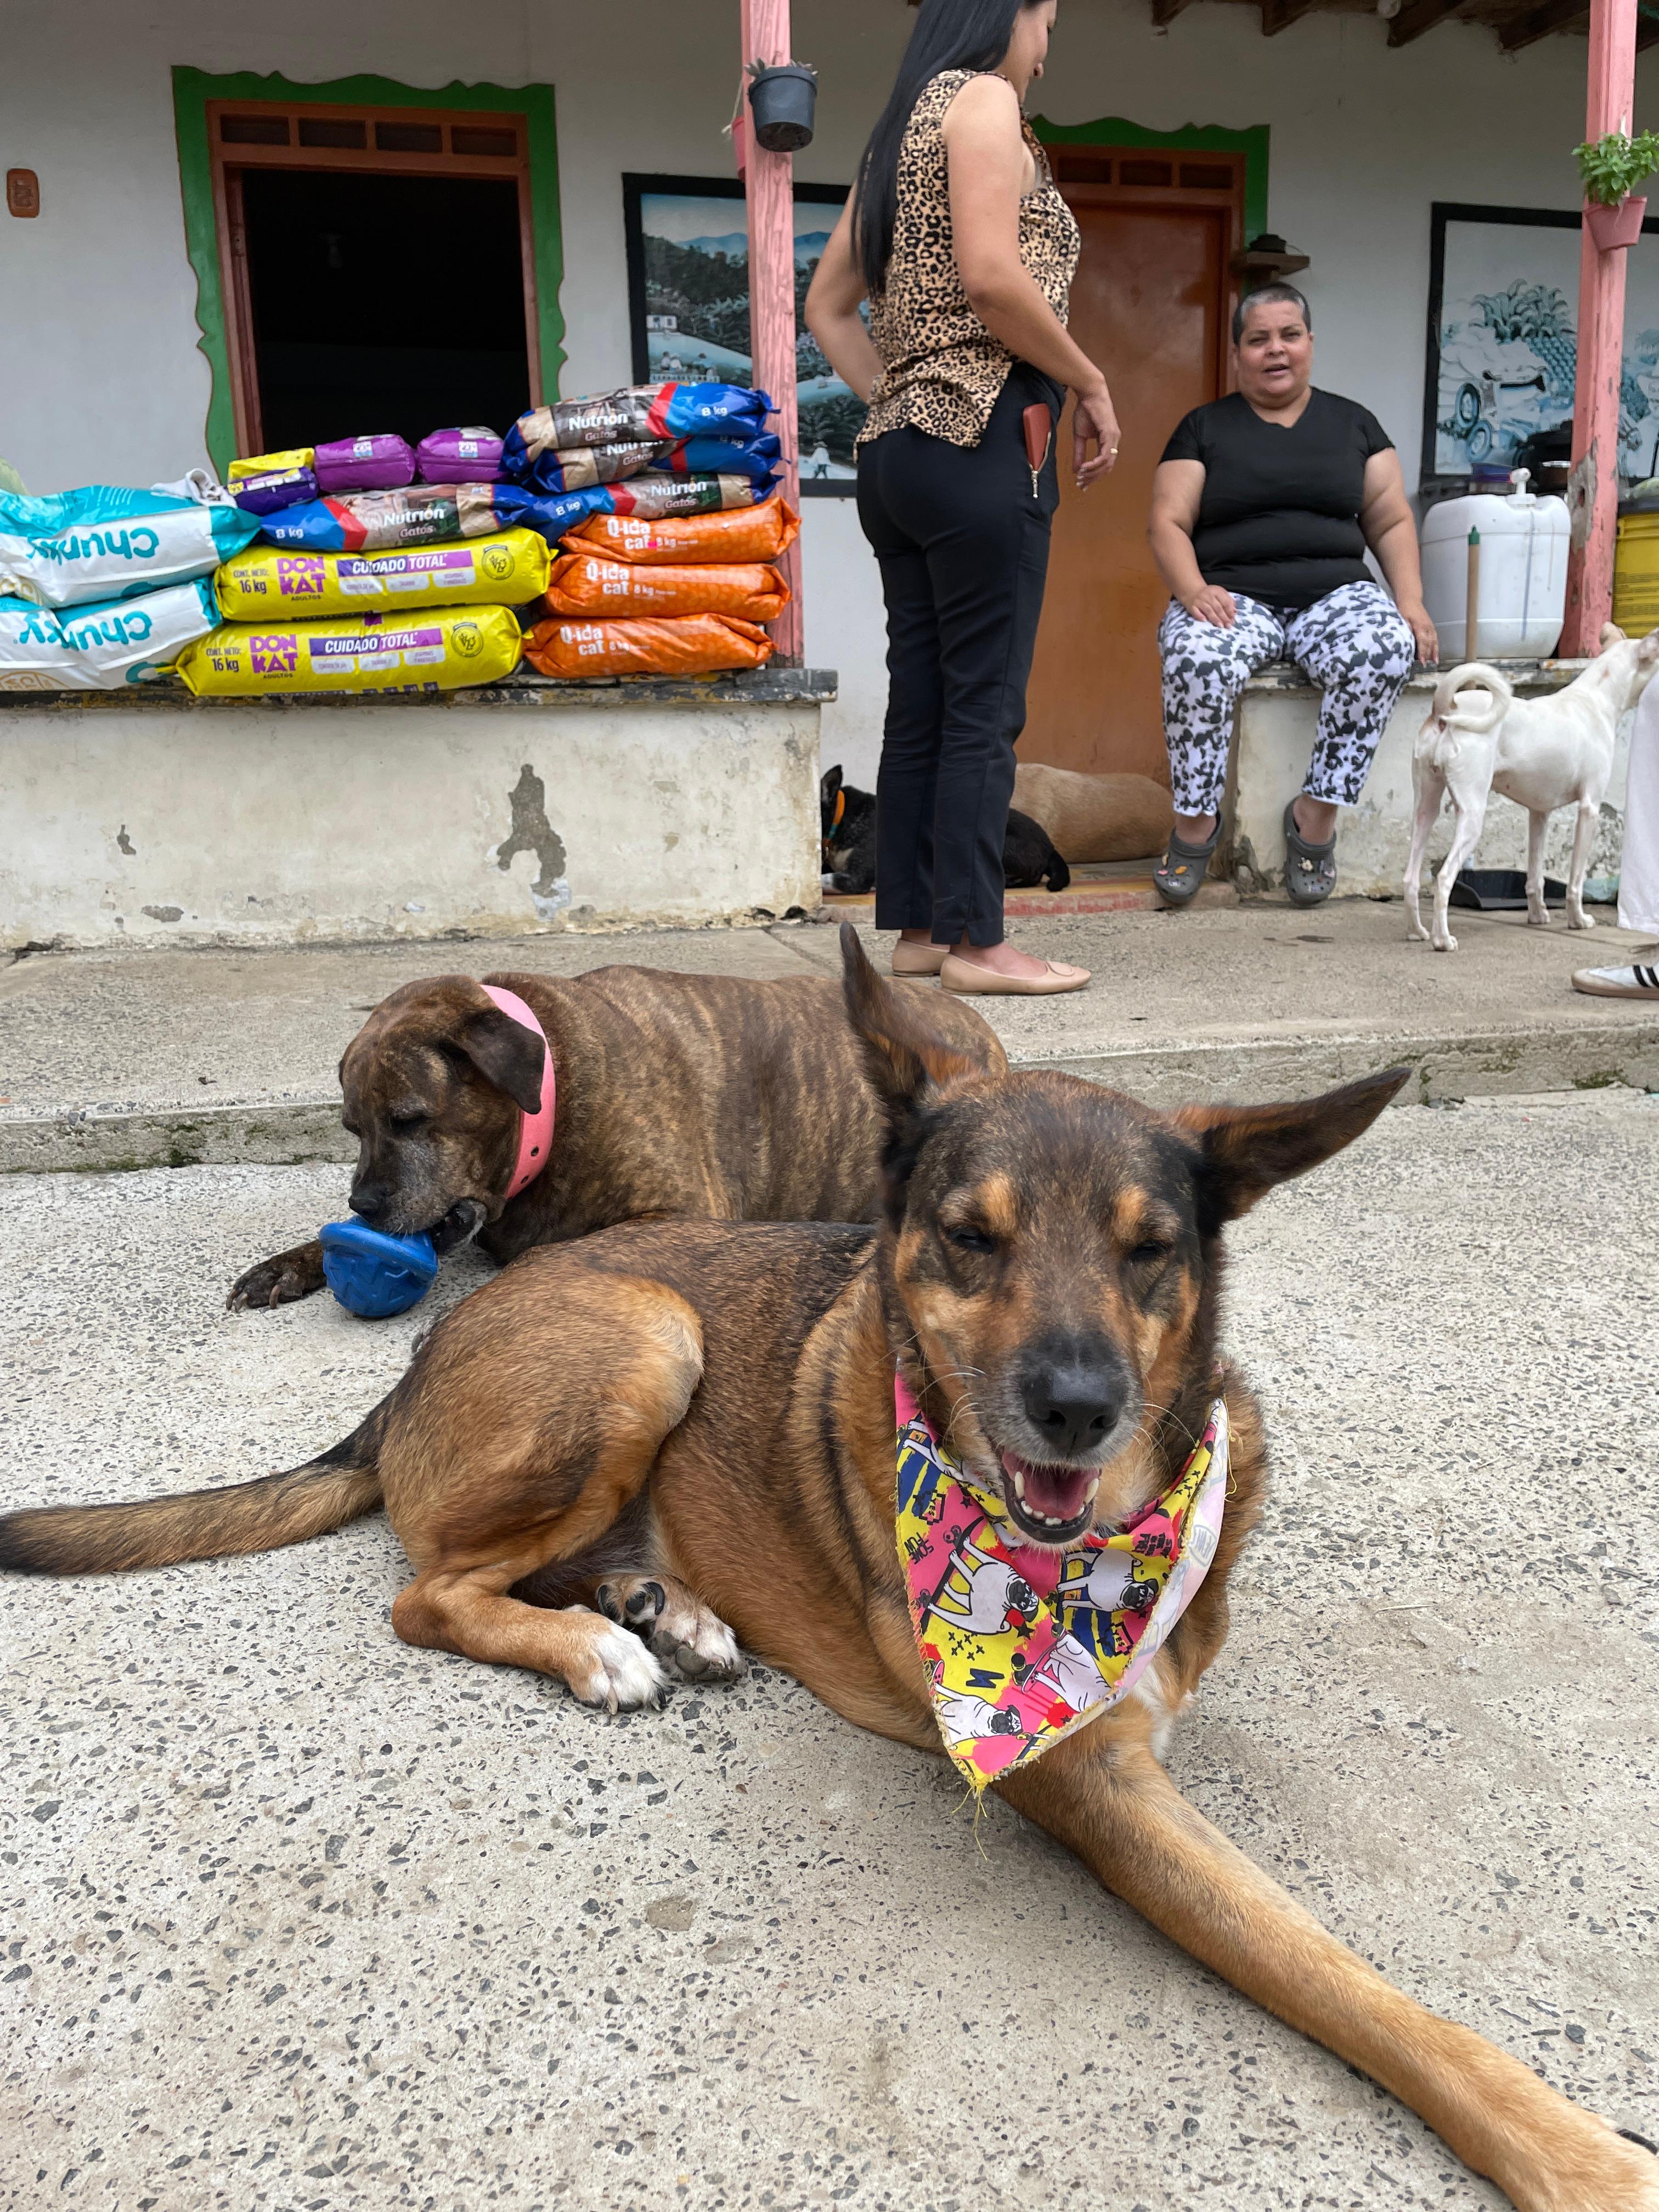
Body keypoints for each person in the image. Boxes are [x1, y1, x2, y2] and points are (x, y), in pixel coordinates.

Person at [805, 0, 1118, 995]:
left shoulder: (894, 134)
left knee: (926, 701)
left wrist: (904, 397)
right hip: (982, 441)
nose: (1043, 50)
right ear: (1009, 14)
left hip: (897, 458)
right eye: (1046, 27)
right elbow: (990, 278)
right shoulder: (982, 103)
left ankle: (918, 931)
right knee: (981, 705)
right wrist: (1089, 379)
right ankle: (980, 943)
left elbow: (824, 309)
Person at [1146, 284, 1437, 908]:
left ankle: (1315, 817)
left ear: (1310, 343)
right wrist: (1193, 589)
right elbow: (1167, 521)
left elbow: (1388, 521)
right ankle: (1196, 823)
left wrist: (1408, 601)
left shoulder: (1355, 424)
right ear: (1236, 353)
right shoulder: (1204, 428)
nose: (1275, 350)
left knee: (1385, 645)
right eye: (1258, 339)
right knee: (1195, 655)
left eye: (1289, 335)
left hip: (1334, 596)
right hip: (1234, 597)